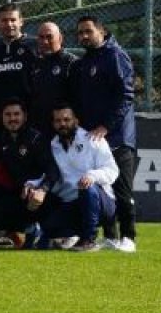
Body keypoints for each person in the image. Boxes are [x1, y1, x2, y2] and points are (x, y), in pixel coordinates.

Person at [71, 15, 137, 252]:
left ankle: (129, 237)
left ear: (102, 31)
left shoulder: (116, 56)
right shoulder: (83, 62)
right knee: (101, 186)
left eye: (88, 31)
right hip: (93, 139)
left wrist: (107, 126)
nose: (83, 37)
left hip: (117, 137)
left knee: (121, 188)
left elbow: (126, 96)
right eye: (79, 33)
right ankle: (110, 236)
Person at [23, 103, 119, 251]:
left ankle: (89, 240)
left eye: (67, 119)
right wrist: (32, 185)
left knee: (88, 188)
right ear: (53, 124)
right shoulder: (52, 146)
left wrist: (92, 176)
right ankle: (70, 236)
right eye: (58, 121)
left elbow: (112, 170)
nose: (62, 124)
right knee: (48, 230)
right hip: (71, 205)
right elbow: (50, 175)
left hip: (101, 202)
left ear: (76, 120)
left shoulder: (93, 139)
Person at [0, 98, 50, 249]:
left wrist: (41, 189)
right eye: (8, 115)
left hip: (41, 195)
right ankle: (17, 233)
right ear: (2, 117)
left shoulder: (36, 138)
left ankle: (41, 231)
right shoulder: (1, 140)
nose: (12, 118)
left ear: (25, 116)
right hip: (18, 194)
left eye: (16, 114)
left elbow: (52, 171)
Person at [0, 3, 38, 137]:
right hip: (0, 118)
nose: (9, 24)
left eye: (13, 20)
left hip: (30, 116)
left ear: (21, 21)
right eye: (4, 20)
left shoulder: (34, 45)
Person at [29, 21, 76, 135]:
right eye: (41, 37)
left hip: (64, 128)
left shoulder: (71, 63)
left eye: (49, 37)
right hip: (39, 128)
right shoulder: (34, 64)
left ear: (60, 38)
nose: (45, 41)